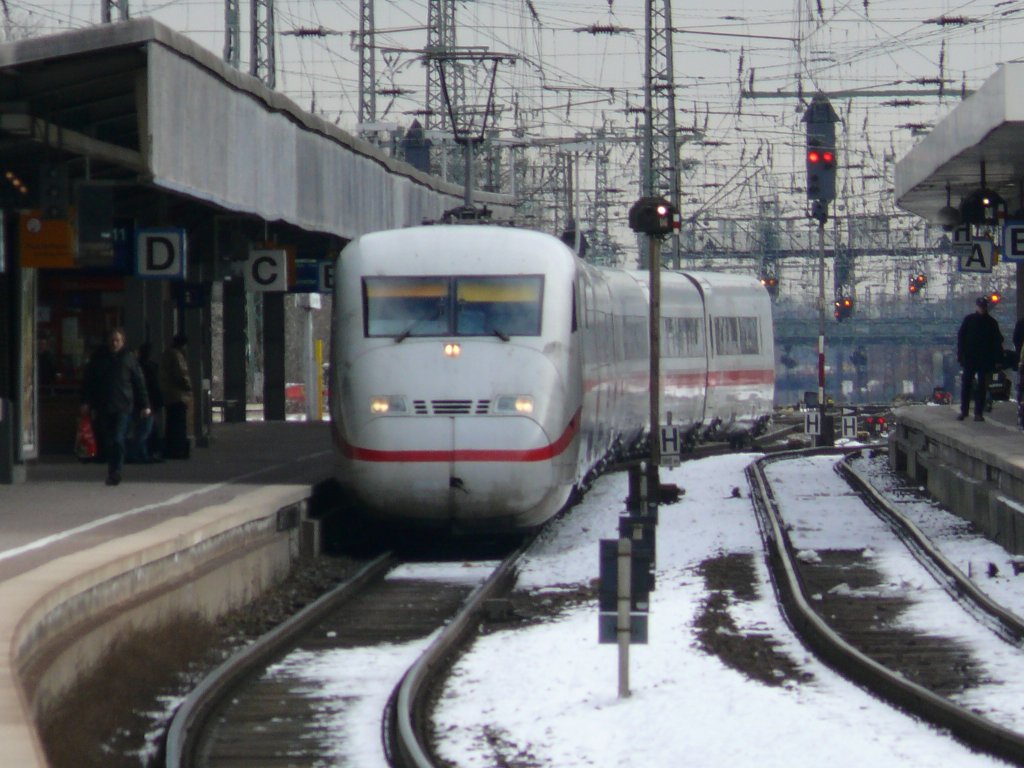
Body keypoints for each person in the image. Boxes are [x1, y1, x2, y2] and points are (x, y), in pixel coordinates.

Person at [80, 328, 150, 485]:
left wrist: (145, 405)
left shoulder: (129, 359)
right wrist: (86, 402)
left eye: (117, 340)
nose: (114, 343)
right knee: (109, 440)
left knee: (118, 438)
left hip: (123, 406)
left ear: (123, 342)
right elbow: (89, 382)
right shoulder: (99, 359)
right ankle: (112, 471)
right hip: (104, 406)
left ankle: (117, 470)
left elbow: (139, 382)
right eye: (112, 340)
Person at [956, 297, 1004, 422]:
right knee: (967, 384)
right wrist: (961, 355)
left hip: (984, 359)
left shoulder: (991, 323)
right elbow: (961, 339)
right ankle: (964, 411)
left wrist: (998, 360)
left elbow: (997, 342)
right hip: (970, 358)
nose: (982, 308)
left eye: (983, 306)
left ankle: (978, 413)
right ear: (977, 306)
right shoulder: (969, 320)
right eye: (980, 306)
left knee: (982, 386)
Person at [129, 343, 164, 463]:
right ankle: (138, 453)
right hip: (147, 402)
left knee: (143, 428)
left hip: (140, 401)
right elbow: (152, 387)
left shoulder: (137, 366)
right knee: (146, 429)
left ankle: (143, 454)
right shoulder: (149, 368)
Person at [160, 333, 192, 459]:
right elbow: (181, 374)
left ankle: (170, 449)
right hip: (178, 395)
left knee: (171, 423)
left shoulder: (166, 354)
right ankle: (178, 450)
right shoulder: (177, 355)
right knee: (179, 424)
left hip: (168, 395)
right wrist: (188, 386)